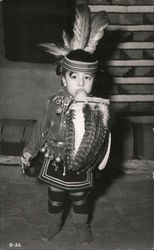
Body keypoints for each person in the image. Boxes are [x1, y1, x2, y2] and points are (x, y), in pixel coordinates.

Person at [21, 4, 111, 246]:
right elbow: (41, 127)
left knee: (80, 196)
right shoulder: (54, 102)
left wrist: (101, 160)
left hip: (82, 163)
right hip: (56, 158)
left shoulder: (98, 107)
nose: (81, 83)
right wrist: (29, 150)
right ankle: (54, 223)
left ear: (93, 80)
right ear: (63, 77)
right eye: (74, 77)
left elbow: (105, 137)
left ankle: (82, 225)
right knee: (55, 194)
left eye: (88, 78)